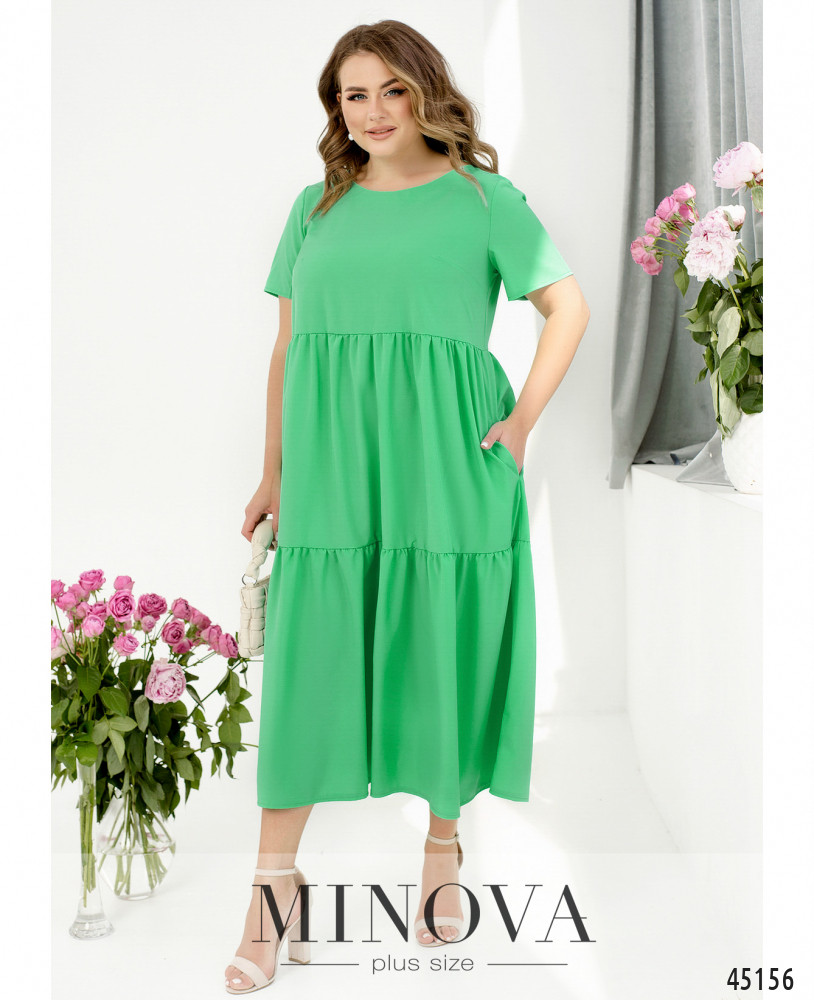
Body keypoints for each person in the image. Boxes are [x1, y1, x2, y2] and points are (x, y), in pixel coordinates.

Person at [225, 18, 590, 994]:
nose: (375, 111)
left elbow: (567, 306)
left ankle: (441, 842)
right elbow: (288, 348)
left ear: (427, 92)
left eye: (392, 89)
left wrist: (521, 421)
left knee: (439, 643)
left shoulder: (484, 199)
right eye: (355, 94)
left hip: (447, 461)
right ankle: (272, 886)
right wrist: (273, 471)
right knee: (308, 663)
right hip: (334, 466)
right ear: (335, 108)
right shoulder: (314, 207)